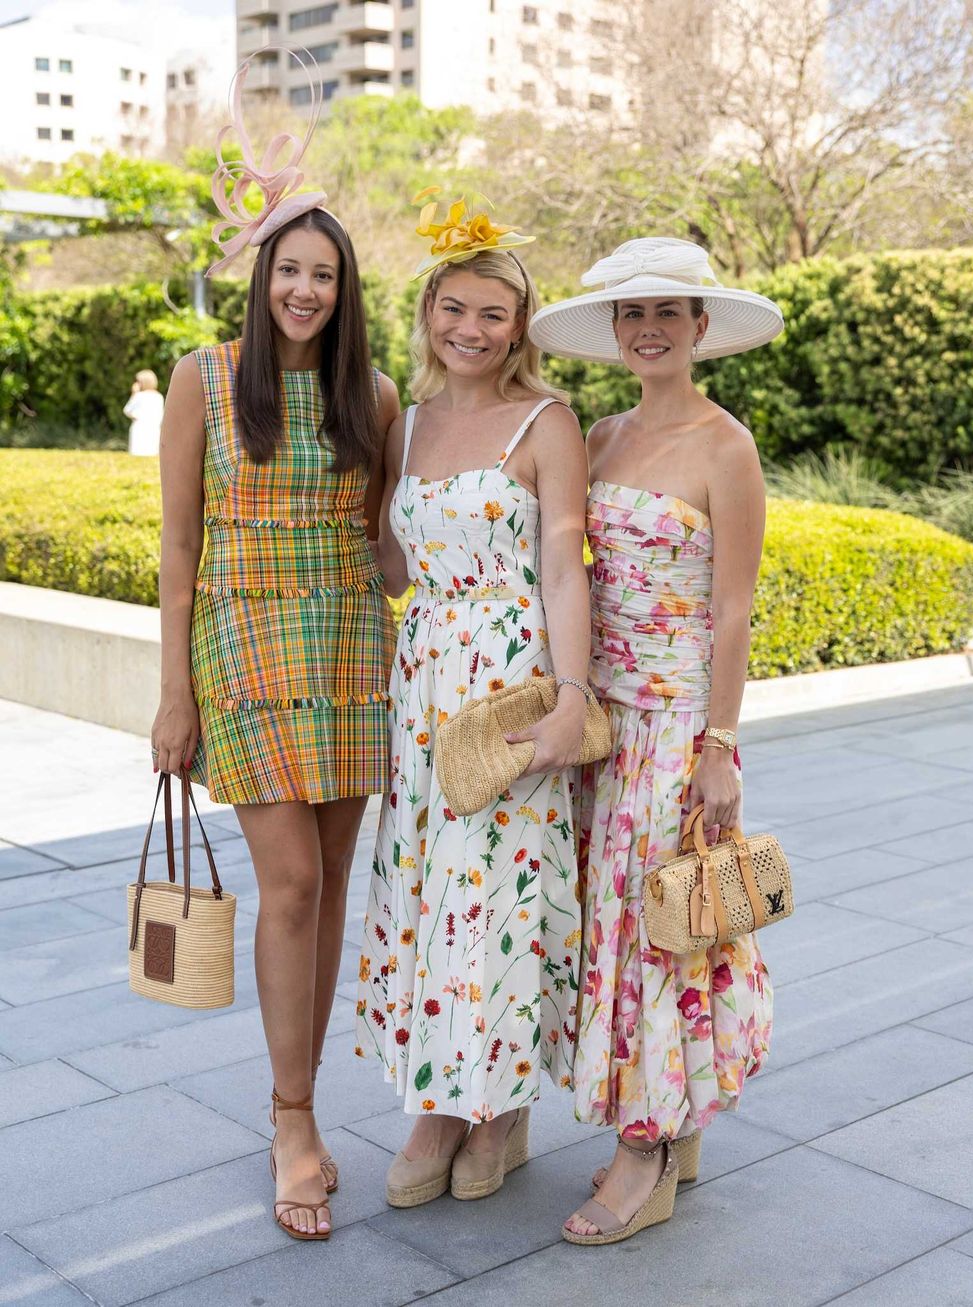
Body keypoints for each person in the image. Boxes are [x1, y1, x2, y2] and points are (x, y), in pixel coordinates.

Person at [151, 59, 398, 1242]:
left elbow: (387, 540)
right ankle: (292, 1113)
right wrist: (170, 698)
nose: (305, 289)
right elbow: (176, 548)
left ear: (346, 293)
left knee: (333, 881)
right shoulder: (204, 383)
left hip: (352, 645)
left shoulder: (378, 398)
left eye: (325, 275)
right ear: (263, 279)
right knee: (288, 880)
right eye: (290, 270)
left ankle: (303, 1099)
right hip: (242, 650)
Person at [529, 237, 783, 1245]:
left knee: (658, 930)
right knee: (616, 923)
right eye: (631, 316)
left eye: (667, 313)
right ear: (612, 331)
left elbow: (731, 611)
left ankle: (643, 1151)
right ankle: (668, 1124)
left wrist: (719, 743)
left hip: (676, 724)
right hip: (603, 720)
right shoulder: (594, 435)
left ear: (698, 327)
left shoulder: (727, 447)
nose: (646, 330)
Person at [355, 193, 591, 1207]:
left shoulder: (547, 420)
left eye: (491, 313)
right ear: (427, 310)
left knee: (495, 892)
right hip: (422, 679)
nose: (470, 328)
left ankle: (496, 1103)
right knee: (424, 892)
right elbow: (392, 560)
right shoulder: (401, 425)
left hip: (508, 680)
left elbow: (564, 565)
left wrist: (571, 696)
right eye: (453, 307)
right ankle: (435, 1098)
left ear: (520, 324)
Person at [124, 369, 164, 456]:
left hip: (140, 429)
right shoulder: (159, 396)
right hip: (154, 429)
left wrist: (133, 394)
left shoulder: (139, 396)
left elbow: (127, 410)